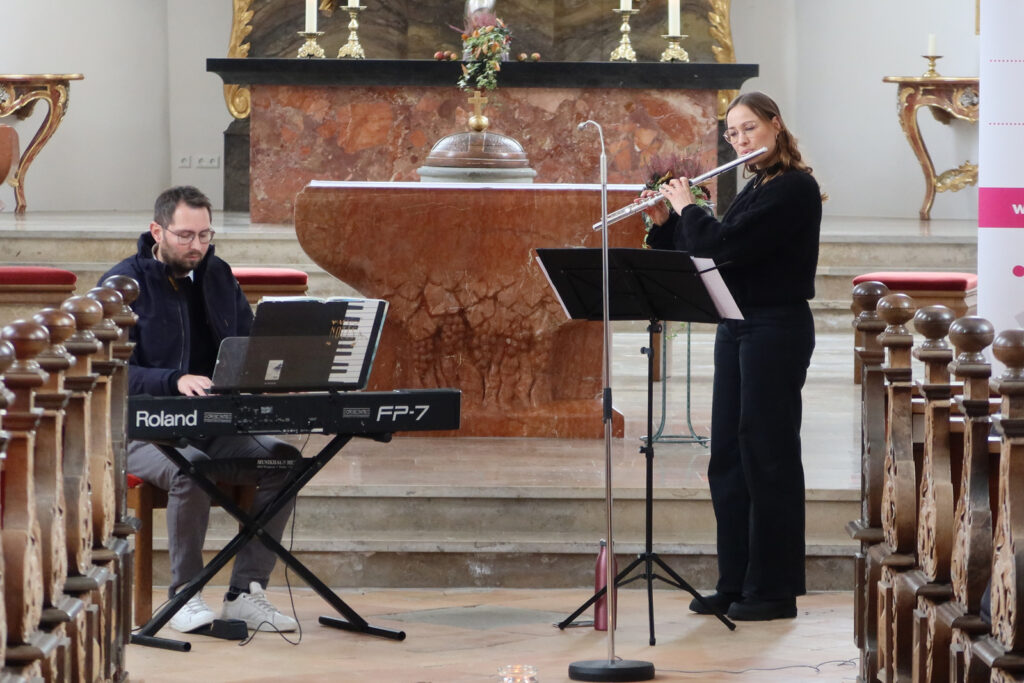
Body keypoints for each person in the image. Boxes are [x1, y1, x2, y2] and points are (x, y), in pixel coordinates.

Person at [641, 92, 822, 621]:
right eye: (733, 133)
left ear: (775, 125)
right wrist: (665, 222)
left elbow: (724, 246)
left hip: (776, 328)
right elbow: (705, 252)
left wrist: (689, 208)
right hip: (739, 326)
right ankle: (736, 582)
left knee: (767, 456)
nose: (741, 140)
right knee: (728, 457)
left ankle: (773, 591)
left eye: (749, 129)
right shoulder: (757, 185)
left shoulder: (794, 187)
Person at [101, 186, 300, 634]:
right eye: (186, 235)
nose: (197, 246)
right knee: (190, 470)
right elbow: (109, 371)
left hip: (212, 422)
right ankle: (185, 595)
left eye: (205, 235)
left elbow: (248, 345)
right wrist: (173, 379)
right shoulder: (121, 285)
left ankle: (245, 593)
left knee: (284, 462)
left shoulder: (218, 275)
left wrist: (270, 376)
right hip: (141, 430)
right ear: (157, 231)